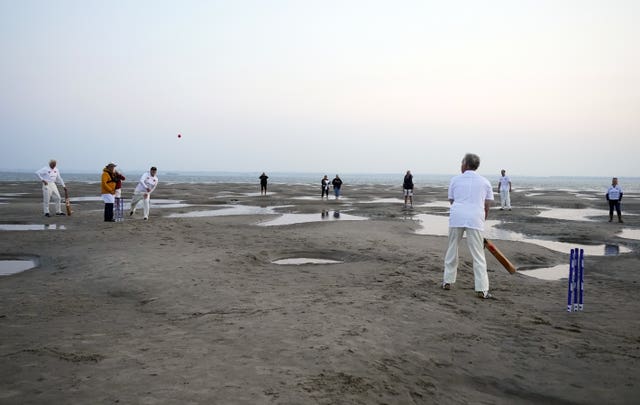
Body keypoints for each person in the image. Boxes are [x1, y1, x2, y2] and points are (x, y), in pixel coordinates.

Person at [442, 153, 494, 299]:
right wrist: (482, 219)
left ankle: (447, 281)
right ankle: (482, 289)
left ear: (465, 164)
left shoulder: (455, 180)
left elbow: (452, 200)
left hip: (457, 216)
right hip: (475, 218)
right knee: (478, 254)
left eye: (461, 163)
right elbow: (487, 205)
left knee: (452, 248)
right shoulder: (484, 182)